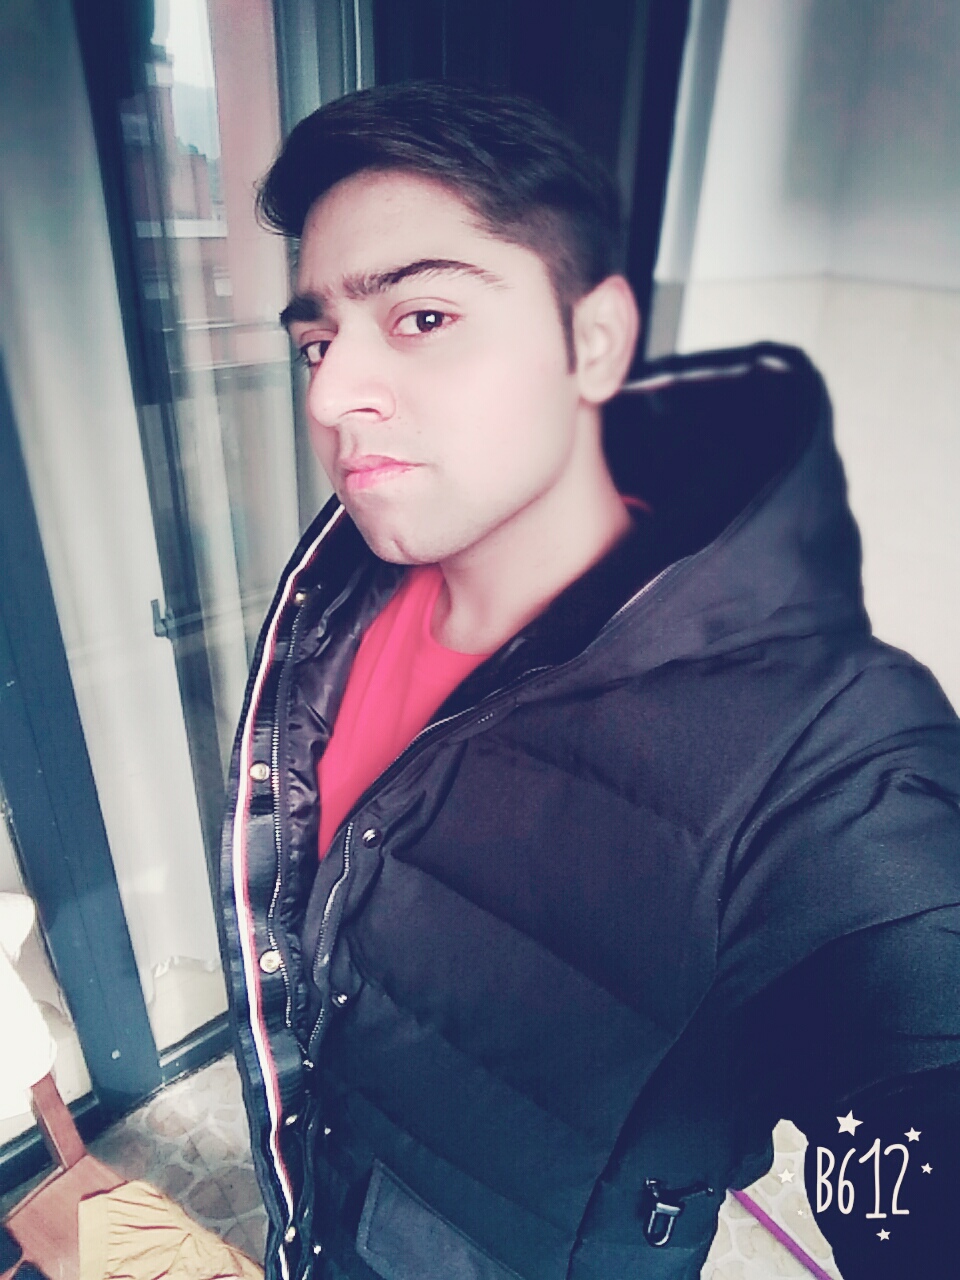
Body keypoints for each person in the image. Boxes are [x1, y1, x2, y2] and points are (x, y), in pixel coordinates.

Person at [219, 82, 960, 1280]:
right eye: (317, 341)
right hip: (317, 1216)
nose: (328, 395)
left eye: (422, 316)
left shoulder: (826, 752)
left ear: (597, 340)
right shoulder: (339, 590)